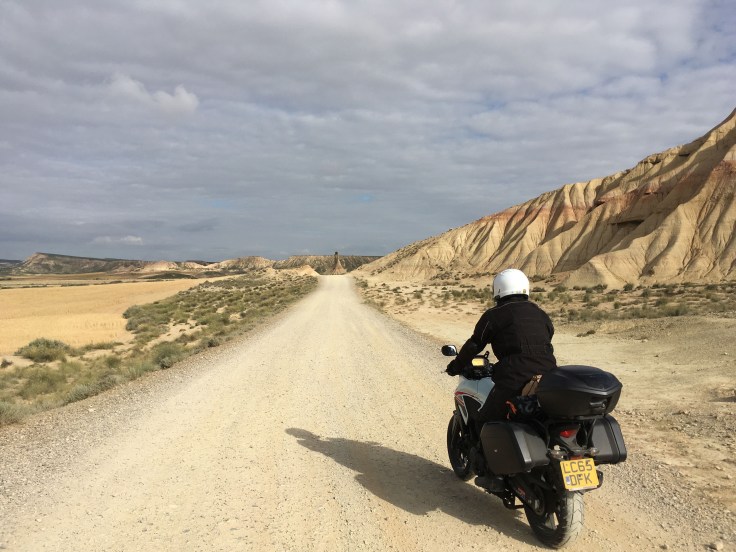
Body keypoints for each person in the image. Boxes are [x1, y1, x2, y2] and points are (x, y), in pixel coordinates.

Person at [446, 268, 557, 425]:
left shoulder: (494, 315)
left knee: (484, 418)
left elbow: (475, 344)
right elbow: (547, 339)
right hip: (548, 380)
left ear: (498, 289)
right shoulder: (540, 314)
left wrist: (455, 366)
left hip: (513, 379)